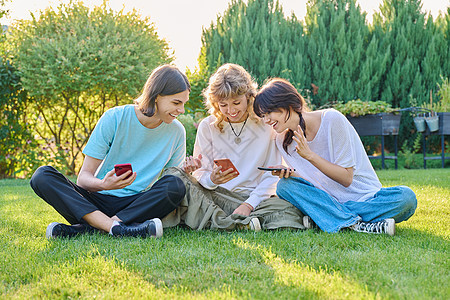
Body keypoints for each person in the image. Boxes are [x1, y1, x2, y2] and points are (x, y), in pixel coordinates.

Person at [30, 65, 190, 239]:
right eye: (176, 103)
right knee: (42, 176)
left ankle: (93, 228)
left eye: (184, 104)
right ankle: (118, 228)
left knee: (175, 185)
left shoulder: (177, 132)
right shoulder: (115, 117)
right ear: (156, 96)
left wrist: (189, 173)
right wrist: (104, 185)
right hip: (95, 201)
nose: (181, 110)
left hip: (136, 206)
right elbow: (83, 178)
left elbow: (170, 180)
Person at [253, 78, 417, 236]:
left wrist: (310, 156)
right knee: (284, 186)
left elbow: (346, 178)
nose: (266, 120)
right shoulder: (282, 141)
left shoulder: (331, 119)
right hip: (328, 202)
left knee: (406, 198)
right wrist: (292, 174)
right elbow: (315, 186)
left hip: (365, 200)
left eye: (268, 113)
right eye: (263, 115)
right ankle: (357, 224)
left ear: (287, 104)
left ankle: (329, 219)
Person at [162, 64, 304, 231]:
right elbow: (201, 173)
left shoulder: (268, 124)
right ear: (215, 103)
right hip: (218, 196)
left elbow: (272, 175)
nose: (231, 110)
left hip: (257, 198)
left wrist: (248, 205)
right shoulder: (208, 126)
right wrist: (212, 180)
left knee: (288, 207)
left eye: (236, 102)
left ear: (249, 96)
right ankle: (246, 223)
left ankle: (223, 221)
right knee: (174, 176)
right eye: (223, 105)